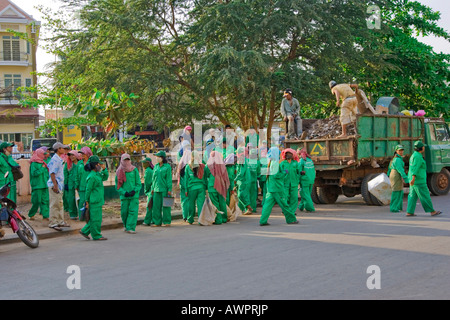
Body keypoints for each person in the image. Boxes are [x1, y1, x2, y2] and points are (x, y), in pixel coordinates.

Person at [259, 147, 299, 226]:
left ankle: (263, 221)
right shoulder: (276, 163)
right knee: (284, 204)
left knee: (267, 205)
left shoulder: (270, 162)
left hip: (271, 187)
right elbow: (276, 175)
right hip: (277, 188)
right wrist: (284, 173)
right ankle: (291, 219)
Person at [406, 141, 442, 217]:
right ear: (421, 148)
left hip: (414, 181)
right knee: (425, 196)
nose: (424, 148)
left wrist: (412, 179)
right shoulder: (418, 157)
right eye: (423, 147)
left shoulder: (413, 155)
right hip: (419, 180)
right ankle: (432, 211)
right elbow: (415, 168)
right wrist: (413, 177)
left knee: (412, 196)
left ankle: (409, 211)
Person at [79, 155, 109, 240]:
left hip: (98, 200)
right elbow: (88, 190)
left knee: (94, 218)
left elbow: (105, 177)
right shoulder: (92, 176)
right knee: (96, 219)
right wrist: (86, 201)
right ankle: (96, 235)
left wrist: (104, 169)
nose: (100, 165)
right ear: (95, 165)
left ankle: (85, 231)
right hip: (94, 201)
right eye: (99, 164)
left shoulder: (97, 174)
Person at [115, 153, 141, 233]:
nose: (126, 161)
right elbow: (118, 186)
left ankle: (131, 227)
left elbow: (138, 183)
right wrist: (124, 192)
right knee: (124, 212)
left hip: (134, 195)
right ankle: (126, 226)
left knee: (133, 211)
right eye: (124, 160)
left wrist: (134, 190)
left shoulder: (134, 170)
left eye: (128, 159)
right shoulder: (119, 171)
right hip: (124, 196)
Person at [47, 142, 70, 230]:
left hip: (59, 185)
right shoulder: (55, 160)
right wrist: (55, 185)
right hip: (55, 185)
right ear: (59, 149)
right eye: (62, 148)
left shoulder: (58, 159)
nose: (64, 149)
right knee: (54, 204)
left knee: (59, 204)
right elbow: (52, 173)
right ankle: (53, 222)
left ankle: (60, 221)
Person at [204, 150, 230, 224]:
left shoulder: (208, 165)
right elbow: (225, 177)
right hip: (221, 186)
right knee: (222, 202)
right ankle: (224, 218)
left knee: (215, 203)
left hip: (212, 186)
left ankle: (218, 219)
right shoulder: (222, 165)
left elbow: (205, 175)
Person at [184, 150, 207, 224]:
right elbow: (205, 177)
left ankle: (190, 219)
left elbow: (186, 179)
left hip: (192, 188)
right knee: (200, 204)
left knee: (191, 204)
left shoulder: (188, 166)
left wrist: (186, 190)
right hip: (201, 187)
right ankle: (201, 220)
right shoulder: (202, 165)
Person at [151, 151, 173, 226]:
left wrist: (169, 189)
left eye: (158, 157)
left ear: (162, 158)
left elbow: (168, 179)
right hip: (156, 189)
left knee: (166, 206)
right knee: (156, 207)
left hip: (165, 189)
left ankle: (167, 221)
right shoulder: (156, 166)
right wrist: (152, 188)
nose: (157, 158)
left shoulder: (167, 167)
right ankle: (157, 222)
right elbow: (153, 179)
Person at [28, 148, 50, 220]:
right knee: (36, 201)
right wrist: (42, 168)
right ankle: (31, 214)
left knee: (45, 201)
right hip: (37, 185)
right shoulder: (34, 163)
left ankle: (46, 215)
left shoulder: (43, 163)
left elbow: (47, 174)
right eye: (43, 154)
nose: (44, 156)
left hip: (44, 184)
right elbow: (34, 173)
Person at [387, 145, 409, 213]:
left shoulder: (396, 159)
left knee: (400, 191)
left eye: (402, 150)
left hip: (395, 175)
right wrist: (406, 179)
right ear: (396, 151)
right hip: (396, 176)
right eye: (399, 150)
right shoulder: (397, 160)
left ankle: (399, 207)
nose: (401, 152)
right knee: (396, 192)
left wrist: (388, 176)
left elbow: (389, 169)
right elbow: (401, 170)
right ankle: (393, 208)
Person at [235, 147, 253, 215]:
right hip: (247, 180)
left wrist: (236, 179)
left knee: (240, 195)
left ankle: (249, 208)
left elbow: (241, 172)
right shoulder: (246, 159)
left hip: (243, 181)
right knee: (245, 195)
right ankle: (242, 209)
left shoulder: (241, 159)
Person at [176, 140, 191, 222]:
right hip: (189, 184)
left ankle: (185, 216)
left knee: (184, 200)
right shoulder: (190, 163)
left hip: (183, 183)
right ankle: (188, 215)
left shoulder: (181, 159)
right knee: (189, 199)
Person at [298, 148, 316, 212]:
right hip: (311, 179)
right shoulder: (310, 160)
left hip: (305, 180)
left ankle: (310, 208)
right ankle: (301, 206)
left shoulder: (301, 161)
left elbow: (298, 171)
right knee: (307, 194)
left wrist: (298, 180)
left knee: (305, 194)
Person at [77, 147, 93, 220]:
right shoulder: (79, 163)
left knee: (91, 202)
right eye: (81, 153)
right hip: (82, 186)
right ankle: (81, 217)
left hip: (91, 186)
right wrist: (76, 184)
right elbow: (76, 175)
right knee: (82, 202)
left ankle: (91, 217)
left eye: (83, 153)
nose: (82, 155)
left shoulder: (92, 163)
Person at [65, 150, 82, 220]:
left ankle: (81, 214)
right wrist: (66, 184)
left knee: (80, 199)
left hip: (80, 184)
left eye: (73, 155)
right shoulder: (68, 164)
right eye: (70, 155)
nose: (71, 157)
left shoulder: (80, 164)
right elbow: (65, 174)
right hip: (71, 184)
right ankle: (73, 214)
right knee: (71, 200)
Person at [246, 148, 261, 213]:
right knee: (253, 196)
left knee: (247, 195)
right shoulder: (257, 162)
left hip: (247, 181)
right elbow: (258, 172)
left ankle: (247, 208)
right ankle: (253, 208)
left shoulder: (247, 161)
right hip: (254, 181)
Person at [142, 157, 154, 226]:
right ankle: (152, 220)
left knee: (149, 205)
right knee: (152, 205)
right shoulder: (152, 170)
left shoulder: (148, 171)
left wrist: (146, 191)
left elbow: (147, 183)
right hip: (154, 189)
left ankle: (147, 221)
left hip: (150, 190)